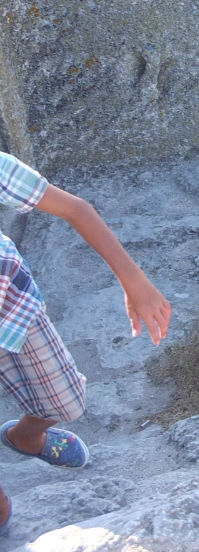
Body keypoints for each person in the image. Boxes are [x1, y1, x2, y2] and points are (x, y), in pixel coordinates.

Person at [0, 150, 170, 535]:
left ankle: (25, 437)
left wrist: (134, 281)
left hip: (13, 310)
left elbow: (75, 208)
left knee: (67, 401)